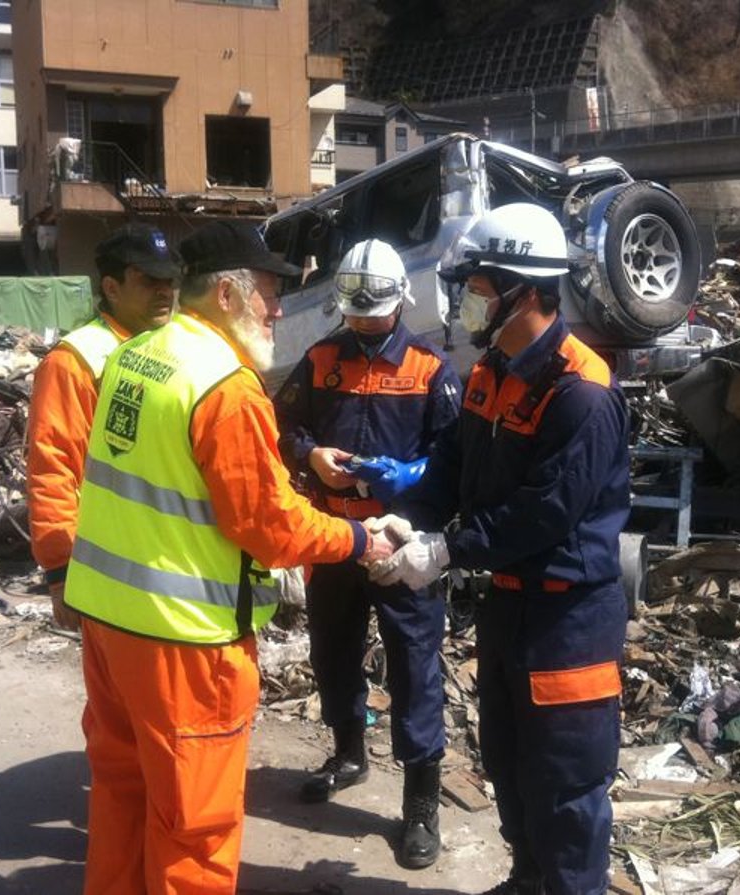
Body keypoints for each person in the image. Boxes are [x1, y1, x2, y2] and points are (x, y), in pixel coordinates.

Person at [63, 220, 395, 895]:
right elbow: (268, 527)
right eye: (270, 293)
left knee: (123, 800)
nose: (278, 309)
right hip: (184, 642)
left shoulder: (134, 355)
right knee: (196, 827)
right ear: (225, 294)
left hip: (106, 620)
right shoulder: (226, 387)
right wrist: (361, 540)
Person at [370, 202, 631, 895]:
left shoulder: (582, 392)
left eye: (481, 287)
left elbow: (544, 512)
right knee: (510, 762)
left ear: (525, 290)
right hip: (507, 610)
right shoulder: (491, 372)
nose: (471, 303)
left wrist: (448, 549)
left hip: (568, 619)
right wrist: (408, 521)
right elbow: (452, 466)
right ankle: (528, 879)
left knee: (566, 783)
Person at [275, 238, 461, 869]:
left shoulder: (432, 370)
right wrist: (309, 456)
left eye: (372, 313)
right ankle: (349, 752)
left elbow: (458, 462)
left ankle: (420, 802)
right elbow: (284, 427)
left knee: (413, 669)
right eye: (352, 313)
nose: (360, 324)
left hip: (400, 545)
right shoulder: (321, 358)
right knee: (332, 650)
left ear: (401, 302)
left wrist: (412, 475)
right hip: (333, 539)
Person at [27, 223, 179, 630]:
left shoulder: (175, 349)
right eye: (149, 281)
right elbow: (52, 465)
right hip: (106, 569)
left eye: (169, 280)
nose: (165, 291)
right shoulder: (78, 360)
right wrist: (60, 570)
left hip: (166, 566)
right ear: (111, 288)